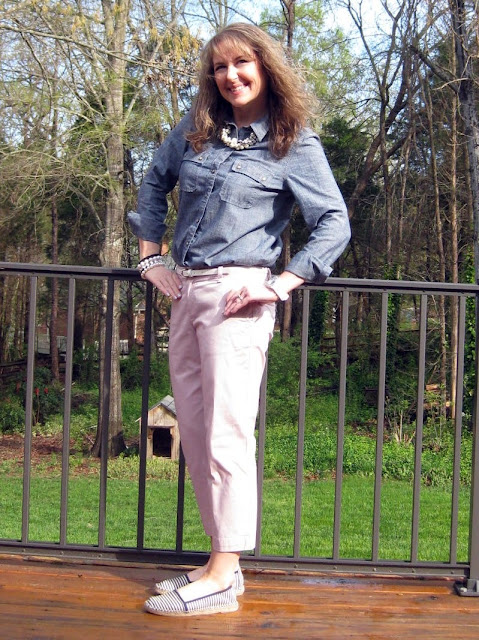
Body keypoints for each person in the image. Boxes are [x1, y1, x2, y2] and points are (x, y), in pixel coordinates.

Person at [128, 22, 350, 617]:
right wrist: (150, 259)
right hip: (187, 292)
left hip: (239, 298)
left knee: (227, 433)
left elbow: (334, 221)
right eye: (220, 67)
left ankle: (224, 575)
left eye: (242, 63)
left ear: (265, 67)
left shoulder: (293, 141)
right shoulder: (197, 129)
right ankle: (217, 564)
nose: (231, 76)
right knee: (196, 432)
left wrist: (280, 284)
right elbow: (153, 182)